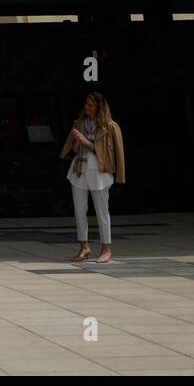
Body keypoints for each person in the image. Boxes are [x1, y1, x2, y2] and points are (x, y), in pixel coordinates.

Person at [60, 91, 126, 264]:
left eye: (90, 105)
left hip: (99, 171)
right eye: (86, 105)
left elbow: (107, 153)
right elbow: (74, 150)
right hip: (79, 169)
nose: (87, 108)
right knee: (79, 211)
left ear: (98, 107)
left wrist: (84, 140)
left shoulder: (109, 126)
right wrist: (76, 141)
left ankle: (106, 248)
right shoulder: (80, 123)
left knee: (101, 211)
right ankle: (84, 246)